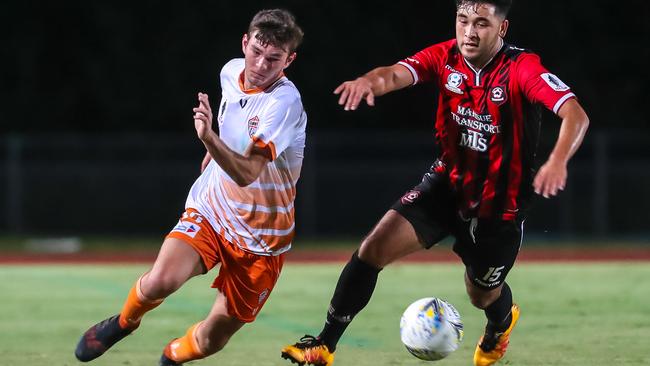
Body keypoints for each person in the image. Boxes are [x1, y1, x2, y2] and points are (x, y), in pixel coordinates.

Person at [281, 1, 589, 365]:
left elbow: (575, 113)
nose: (469, 32)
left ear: (501, 29)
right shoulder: (445, 57)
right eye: (463, 20)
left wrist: (557, 160)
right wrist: (369, 82)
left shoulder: (522, 68)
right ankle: (323, 345)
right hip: (447, 185)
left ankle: (500, 325)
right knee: (372, 249)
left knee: (481, 294)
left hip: (498, 207)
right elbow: (395, 74)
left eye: (481, 23)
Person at [74, 9, 306, 366]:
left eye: (274, 58)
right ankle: (124, 322)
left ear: (289, 59)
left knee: (214, 337)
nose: (261, 64)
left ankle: (171, 357)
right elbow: (233, 125)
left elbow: (247, 173)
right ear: (245, 43)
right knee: (160, 281)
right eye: (256, 52)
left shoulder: (283, 104)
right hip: (213, 208)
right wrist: (213, 154)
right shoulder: (230, 71)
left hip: (262, 239)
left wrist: (209, 140)